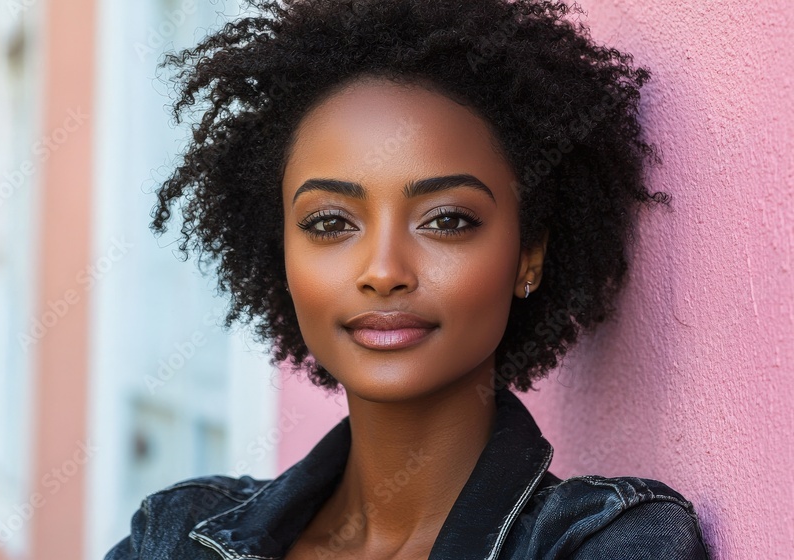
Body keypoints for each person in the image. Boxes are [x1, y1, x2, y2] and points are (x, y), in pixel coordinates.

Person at [106, 0, 710, 558]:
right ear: (282, 257)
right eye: (330, 223)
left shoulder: (607, 541)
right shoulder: (176, 534)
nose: (384, 272)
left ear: (527, 256)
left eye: (447, 220)